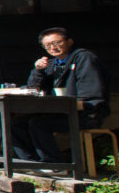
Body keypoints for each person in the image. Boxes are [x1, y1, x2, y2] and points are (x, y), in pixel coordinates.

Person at [11, 27, 110, 164]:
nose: (53, 47)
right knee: (16, 124)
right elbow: (33, 89)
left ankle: (55, 164)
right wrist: (38, 70)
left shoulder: (84, 58)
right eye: (47, 45)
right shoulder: (51, 64)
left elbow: (90, 94)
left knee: (38, 124)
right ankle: (31, 163)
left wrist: (81, 105)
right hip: (59, 111)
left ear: (69, 41)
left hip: (86, 112)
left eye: (57, 42)